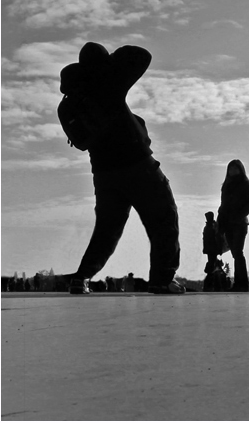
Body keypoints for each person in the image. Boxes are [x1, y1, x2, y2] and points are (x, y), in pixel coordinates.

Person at [58, 43, 183, 295]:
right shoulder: (107, 82)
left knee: (106, 231)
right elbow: (141, 55)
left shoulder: (67, 105)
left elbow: (81, 142)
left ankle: (80, 278)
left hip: (104, 175)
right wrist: (110, 62)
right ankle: (162, 279)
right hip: (138, 166)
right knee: (163, 220)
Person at [217, 159, 249, 292]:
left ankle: (242, 283)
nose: (233, 171)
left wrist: (238, 216)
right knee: (236, 253)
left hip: (239, 223)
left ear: (240, 169)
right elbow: (223, 206)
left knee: (238, 253)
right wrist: (220, 222)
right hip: (229, 223)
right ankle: (240, 283)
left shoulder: (245, 184)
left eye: (235, 168)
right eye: (231, 168)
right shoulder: (227, 185)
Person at [202, 211, 223, 291]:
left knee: (212, 264)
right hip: (211, 248)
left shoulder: (212, 226)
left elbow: (217, 238)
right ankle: (214, 284)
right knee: (213, 264)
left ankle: (212, 284)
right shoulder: (211, 226)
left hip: (212, 248)